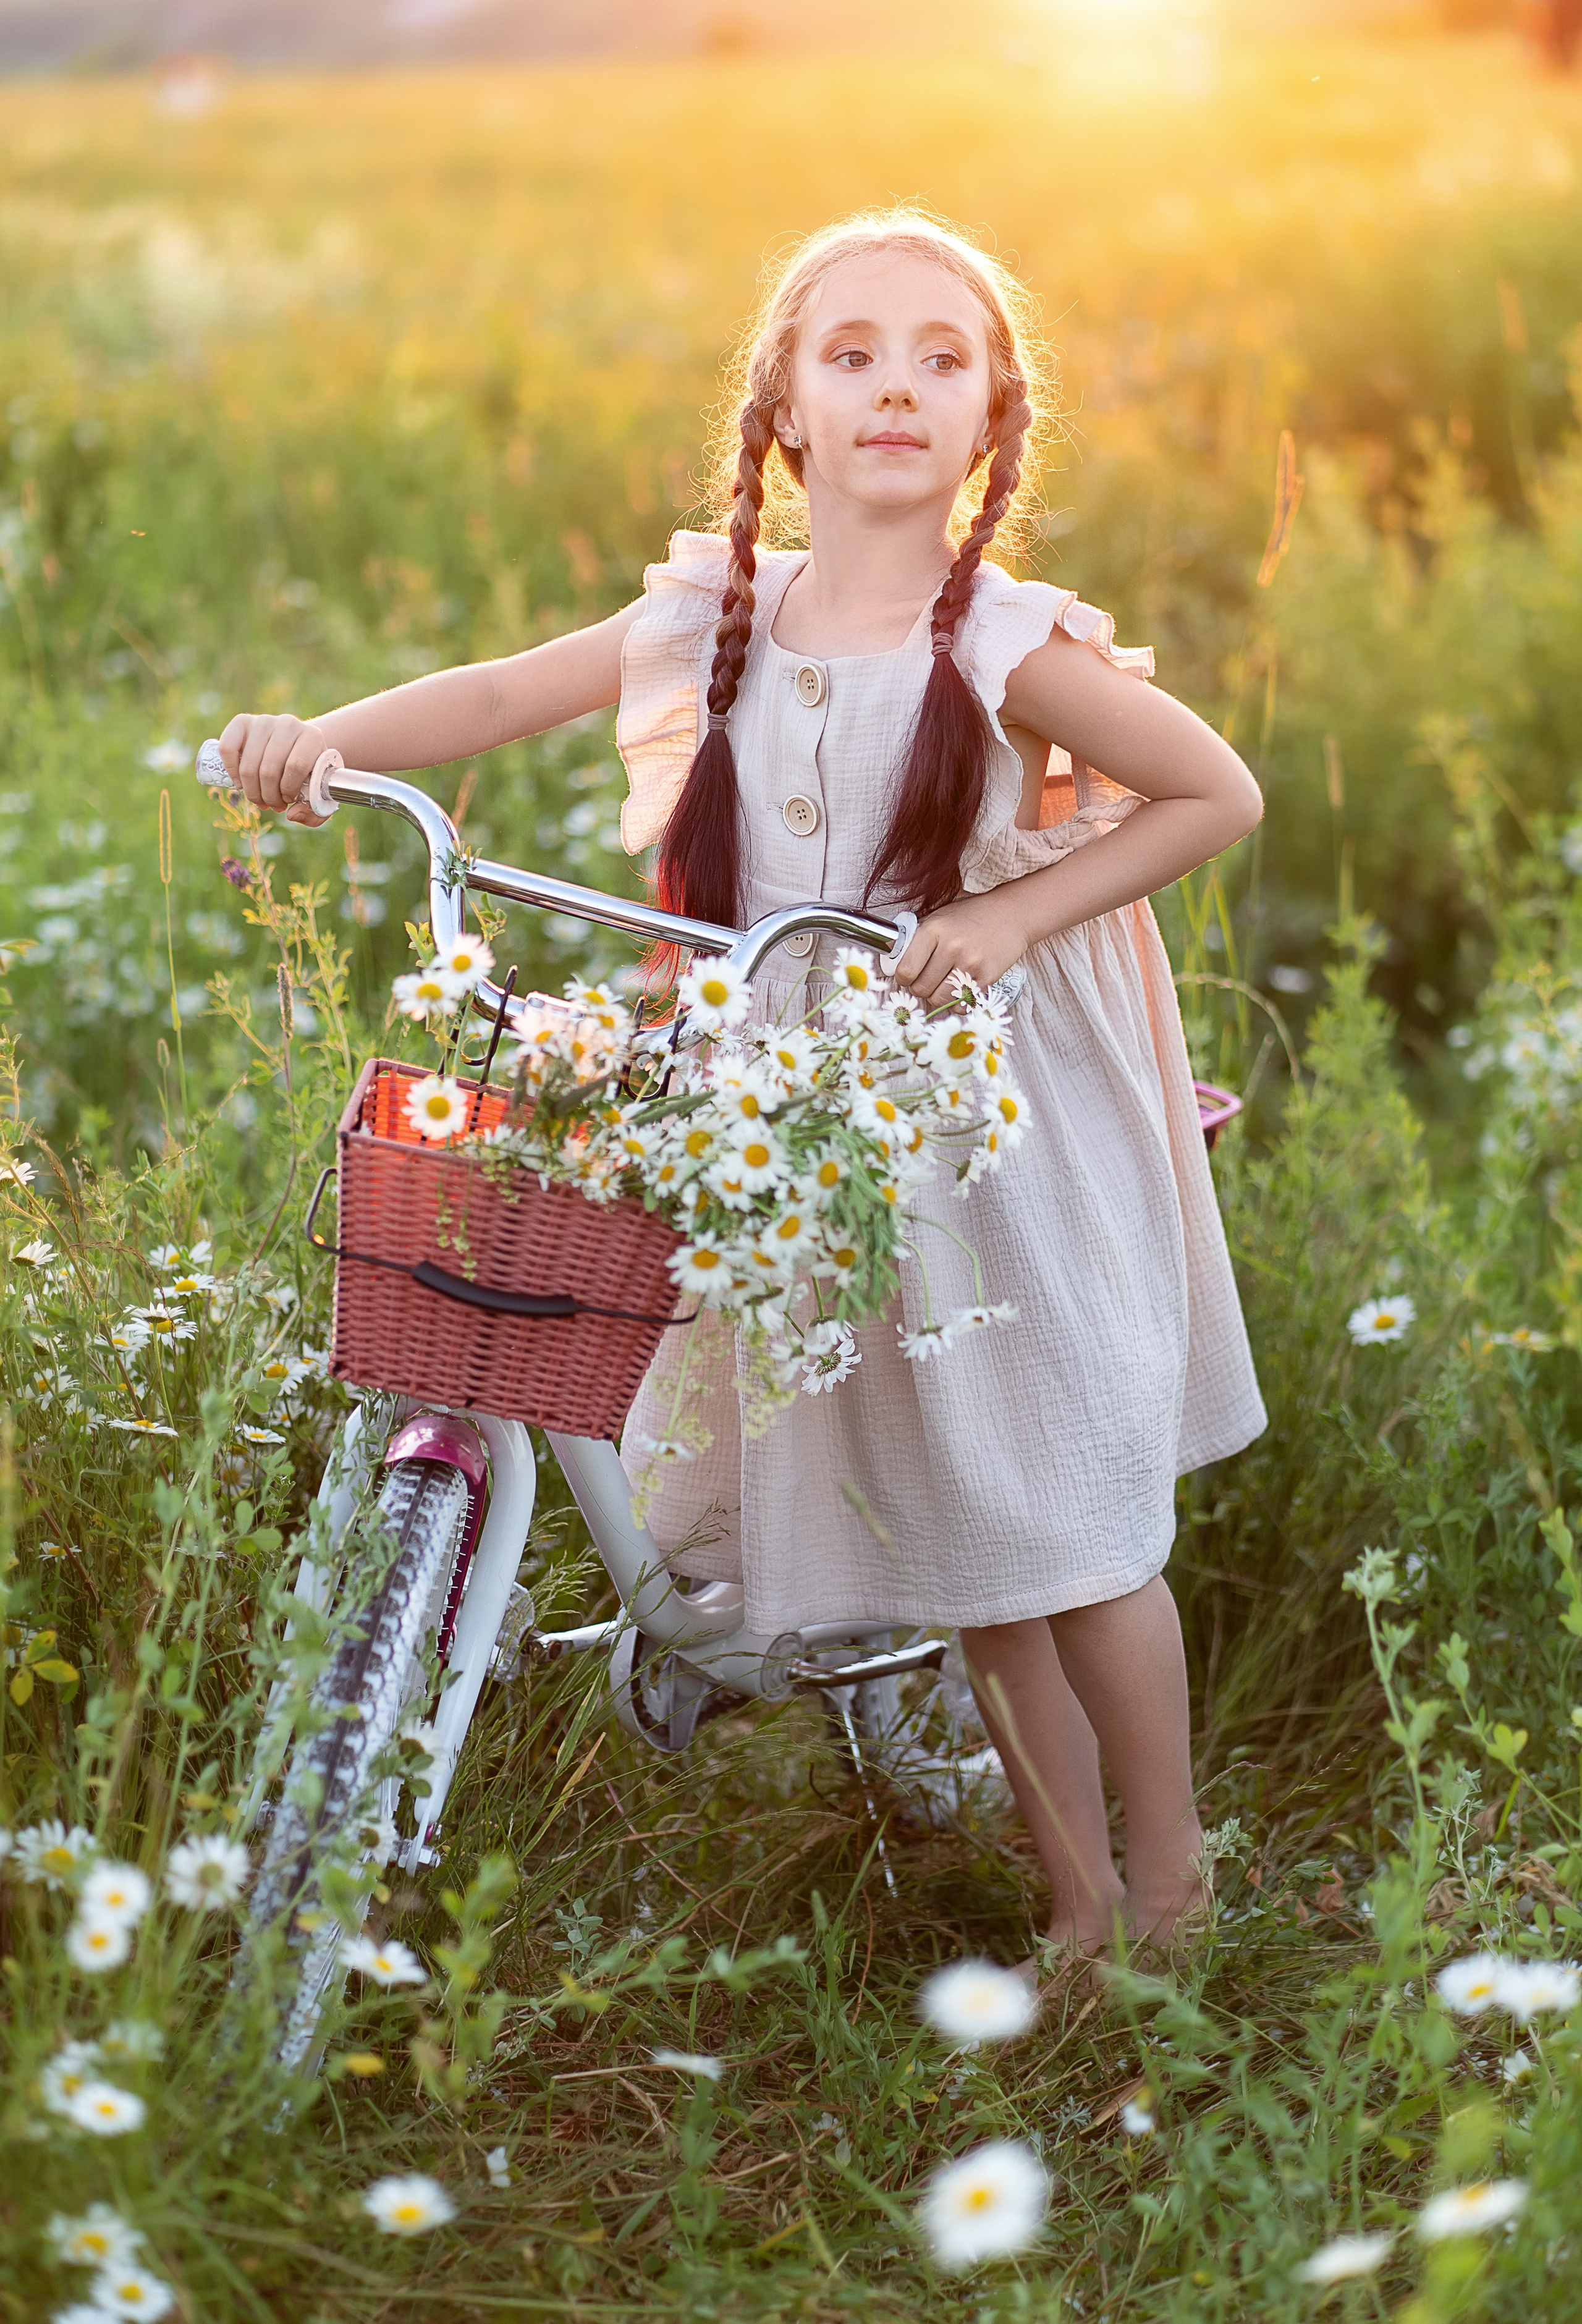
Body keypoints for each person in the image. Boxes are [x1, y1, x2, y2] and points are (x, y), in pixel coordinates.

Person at [220, 206, 1266, 1974]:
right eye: (850, 354)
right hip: (819, 1124)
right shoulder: (717, 613)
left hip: (996, 1123)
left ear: (994, 420)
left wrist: (1007, 911)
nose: (895, 387)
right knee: (965, 1531)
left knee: (1073, 1526)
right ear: (781, 409)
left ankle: (1169, 1889)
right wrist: (316, 741)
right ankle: (1076, 1897)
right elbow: (493, 690)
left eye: (943, 359)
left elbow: (1215, 792)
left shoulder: (1005, 643)